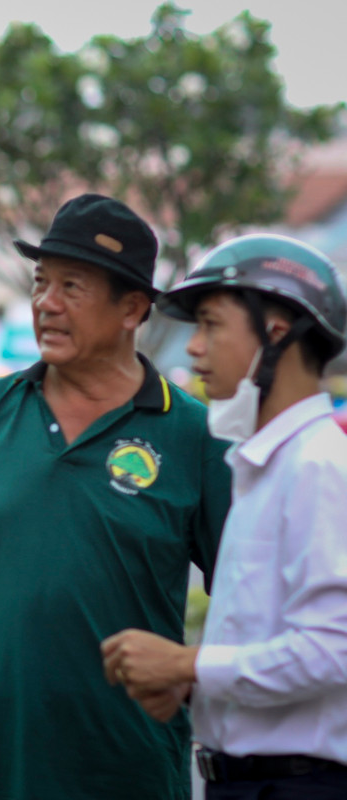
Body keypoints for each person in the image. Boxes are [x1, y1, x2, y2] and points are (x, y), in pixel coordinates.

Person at [0, 193, 231, 800]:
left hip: (128, 771)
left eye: (72, 287)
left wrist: (194, 672)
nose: (46, 304)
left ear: (133, 308)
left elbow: (248, 595)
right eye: (40, 282)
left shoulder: (191, 434)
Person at [102, 234, 347, 799]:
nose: (193, 349)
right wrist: (193, 685)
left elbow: (332, 649)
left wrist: (190, 666)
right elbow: (273, 640)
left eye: (211, 325)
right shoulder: (263, 465)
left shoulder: (317, 467)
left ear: (276, 332)